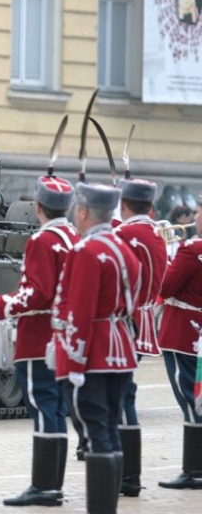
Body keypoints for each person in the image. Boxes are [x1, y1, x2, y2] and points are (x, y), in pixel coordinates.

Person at [0, 176, 78, 507]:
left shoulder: (43, 241)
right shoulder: (72, 237)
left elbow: (38, 292)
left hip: (38, 339)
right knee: (56, 409)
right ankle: (52, 485)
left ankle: (45, 486)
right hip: (62, 336)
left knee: (44, 408)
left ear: (37, 207)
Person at [51, 182, 140, 514]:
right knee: (110, 429)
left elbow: (81, 311)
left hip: (94, 354)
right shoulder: (123, 248)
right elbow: (134, 300)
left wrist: (73, 362)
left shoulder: (86, 251)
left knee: (95, 432)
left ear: (84, 211)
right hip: (121, 349)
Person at [113, 178, 169, 496]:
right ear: (150, 205)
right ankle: (128, 474)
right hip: (144, 322)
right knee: (125, 395)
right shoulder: (156, 233)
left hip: (123, 323)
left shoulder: (124, 234)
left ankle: (127, 474)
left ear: (122, 204)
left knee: (117, 398)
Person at [156, 198, 202, 490]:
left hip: (182, 333)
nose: (196, 217)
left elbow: (164, 286)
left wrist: (163, 254)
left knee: (189, 401)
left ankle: (194, 469)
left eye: (199, 212)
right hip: (197, 332)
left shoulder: (191, 250)